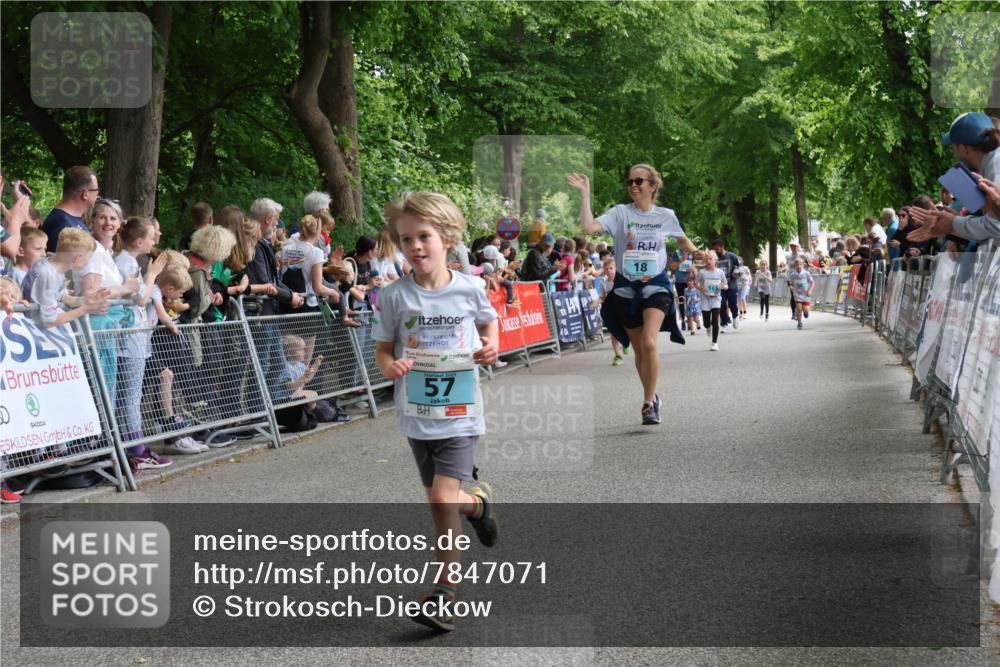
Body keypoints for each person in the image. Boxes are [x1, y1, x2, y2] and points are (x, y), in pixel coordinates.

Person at [374, 191, 499, 632]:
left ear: (446, 237)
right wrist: (391, 367)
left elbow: (488, 322)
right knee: (439, 503)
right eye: (406, 239)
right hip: (418, 414)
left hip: (461, 413)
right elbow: (383, 349)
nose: (415, 246)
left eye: (423, 236)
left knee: (445, 498)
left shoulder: (469, 287)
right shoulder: (394, 296)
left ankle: (445, 590)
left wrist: (491, 344)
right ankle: (476, 509)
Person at [568, 165, 700, 425]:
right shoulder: (620, 213)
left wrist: (697, 253)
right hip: (626, 287)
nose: (633, 185)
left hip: (656, 285)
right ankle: (652, 395)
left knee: (649, 343)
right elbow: (588, 228)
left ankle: (648, 403)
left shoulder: (665, 216)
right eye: (629, 181)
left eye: (639, 181)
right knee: (639, 349)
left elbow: (682, 240)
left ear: (653, 186)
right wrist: (585, 195)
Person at [909, 111, 1000, 242]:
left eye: (953, 147)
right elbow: (991, 228)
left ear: (963, 149)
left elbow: (995, 227)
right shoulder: (993, 163)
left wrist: (953, 223)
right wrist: (953, 223)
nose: (954, 153)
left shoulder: (996, 166)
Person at [41, 166, 99, 253]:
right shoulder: (62, 224)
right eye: (96, 190)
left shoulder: (70, 219)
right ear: (85, 194)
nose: (97, 193)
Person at [592, 258, 627, 365]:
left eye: (611, 268)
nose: (609, 271)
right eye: (606, 269)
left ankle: (626, 343)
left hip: (624, 312)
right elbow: (602, 297)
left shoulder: (623, 281)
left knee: (627, 331)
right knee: (614, 335)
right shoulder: (605, 284)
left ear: (616, 268)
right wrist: (595, 303)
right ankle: (618, 356)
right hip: (612, 313)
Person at [697, 250, 726, 351]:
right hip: (705, 299)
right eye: (706, 259)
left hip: (716, 299)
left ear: (715, 260)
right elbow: (696, 283)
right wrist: (701, 288)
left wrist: (723, 286)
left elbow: (726, 285)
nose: (708, 261)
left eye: (710, 259)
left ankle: (714, 343)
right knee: (706, 323)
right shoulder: (702, 272)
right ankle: (707, 327)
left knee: (715, 320)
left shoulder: (720, 272)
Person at [710, 239, 741, 331]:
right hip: (719, 286)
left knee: (732, 304)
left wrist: (737, 273)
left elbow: (738, 269)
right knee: (721, 304)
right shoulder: (714, 258)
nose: (716, 251)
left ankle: (735, 316)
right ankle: (724, 322)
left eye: (717, 249)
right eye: (714, 249)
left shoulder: (732, 256)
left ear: (722, 247)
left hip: (732, 285)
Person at [788, 256, 814, 330]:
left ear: (803, 265)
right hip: (797, 294)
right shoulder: (793, 274)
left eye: (800, 264)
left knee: (805, 310)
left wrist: (810, 290)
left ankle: (806, 311)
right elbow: (790, 283)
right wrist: (791, 287)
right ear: (795, 266)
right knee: (799, 309)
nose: (799, 266)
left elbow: (812, 282)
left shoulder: (806, 273)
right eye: (797, 265)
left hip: (805, 294)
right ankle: (799, 323)